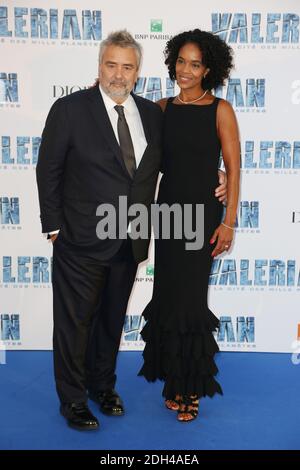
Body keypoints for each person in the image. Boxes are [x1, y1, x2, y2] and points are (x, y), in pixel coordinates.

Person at [36, 30, 227, 431]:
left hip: (131, 239)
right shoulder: (70, 109)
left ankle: (102, 386)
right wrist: (53, 227)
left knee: (109, 321)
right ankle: (72, 400)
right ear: (99, 66)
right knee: (74, 325)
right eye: (111, 65)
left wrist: (218, 172)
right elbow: (48, 169)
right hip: (80, 240)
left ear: (138, 72)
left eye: (127, 66)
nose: (119, 74)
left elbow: (179, 154)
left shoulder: (152, 113)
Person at [138, 29, 240, 422]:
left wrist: (229, 221)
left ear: (208, 69)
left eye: (194, 64)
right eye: (180, 61)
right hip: (168, 214)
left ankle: (189, 388)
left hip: (202, 216)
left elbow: (234, 169)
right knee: (167, 293)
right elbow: (148, 160)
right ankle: (172, 381)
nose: (185, 70)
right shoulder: (162, 108)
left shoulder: (221, 109)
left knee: (191, 301)